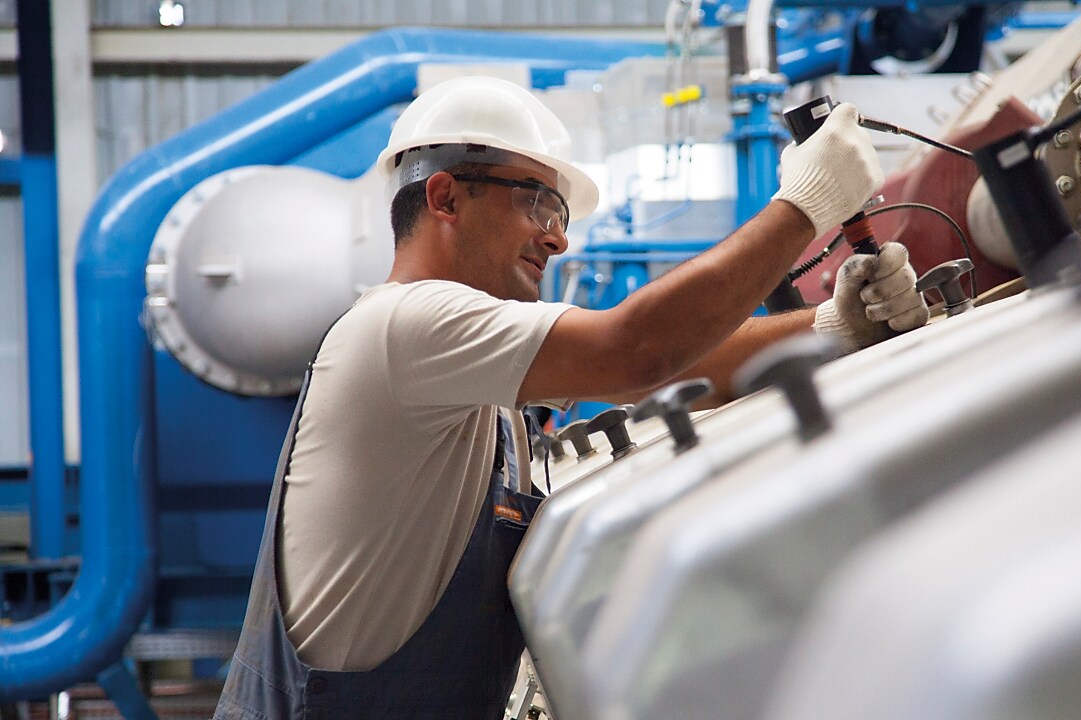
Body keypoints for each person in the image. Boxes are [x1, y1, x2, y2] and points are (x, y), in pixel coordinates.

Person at [214, 76, 927, 719]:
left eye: (561, 213)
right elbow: (636, 352)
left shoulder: (461, 368)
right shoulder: (405, 325)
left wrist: (830, 326)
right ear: (445, 197)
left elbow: (672, 368)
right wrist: (803, 206)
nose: (557, 240)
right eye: (538, 203)